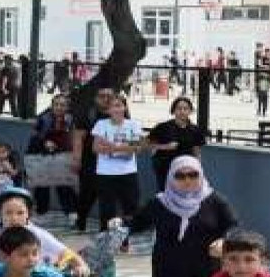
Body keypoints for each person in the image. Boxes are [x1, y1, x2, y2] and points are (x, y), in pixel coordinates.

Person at [119, 155, 237, 277]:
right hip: (168, 273)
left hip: (205, 272)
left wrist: (225, 241)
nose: (187, 180)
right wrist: (119, 225)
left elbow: (234, 227)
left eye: (192, 175)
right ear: (171, 178)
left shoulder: (215, 201)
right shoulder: (160, 203)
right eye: (180, 176)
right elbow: (136, 223)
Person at [0, 188, 88, 277]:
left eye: (20, 213)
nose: (14, 218)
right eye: (8, 213)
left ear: (28, 215)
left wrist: (80, 265)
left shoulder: (35, 232)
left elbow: (65, 252)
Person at [90, 93, 144, 230]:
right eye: (112, 106)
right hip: (105, 173)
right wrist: (120, 149)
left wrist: (112, 147)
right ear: (107, 110)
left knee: (131, 206)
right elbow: (96, 147)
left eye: (119, 105)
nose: (116, 109)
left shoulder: (133, 125)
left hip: (128, 172)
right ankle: (106, 236)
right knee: (107, 208)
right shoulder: (101, 124)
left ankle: (126, 236)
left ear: (125, 107)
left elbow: (136, 148)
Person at [69, 88, 112, 233]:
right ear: (95, 98)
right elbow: (78, 138)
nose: (106, 99)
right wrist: (76, 159)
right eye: (102, 96)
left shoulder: (119, 113)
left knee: (107, 194)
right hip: (90, 160)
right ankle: (81, 221)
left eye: (109, 96)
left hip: (111, 161)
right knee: (87, 194)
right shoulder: (88, 114)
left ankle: (104, 228)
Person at [28, 94, 77, 220]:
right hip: (41, 155)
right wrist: (45, 142)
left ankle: (72, 213)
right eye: (56, 104)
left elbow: (73, 138)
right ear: (52, 105)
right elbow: (34, 137)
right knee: (42, 186)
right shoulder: (43, 118)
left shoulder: (71, 120)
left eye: (63, 105)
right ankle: (41, 212)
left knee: (64, 185)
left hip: (62, 155)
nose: (59, 107)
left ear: (67, 107)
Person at [147, 97, 207, 189]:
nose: (182, 111)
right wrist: (165, 147)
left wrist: (199, 170)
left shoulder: (195, 130)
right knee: (167, 199)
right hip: (165, 171)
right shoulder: (163, 127)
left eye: (185, 108)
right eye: (179, 108)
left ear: (190, 111)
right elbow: (147, 144)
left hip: (186, 172)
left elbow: (197, 152)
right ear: (173, 110)